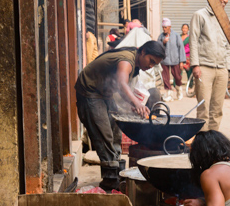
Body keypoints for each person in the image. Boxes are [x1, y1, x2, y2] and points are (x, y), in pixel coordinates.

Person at [75, 41, 165, 191]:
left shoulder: (135, 61)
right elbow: (122, 83)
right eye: (151, 61)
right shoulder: (127, 60)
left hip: (104, 93)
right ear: (143, 53)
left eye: (155, 64)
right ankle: (110, 181)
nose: (151, 66)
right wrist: (137, 103)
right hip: (90, 92)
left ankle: (117, 173)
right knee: (104, 135)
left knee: (116, 130)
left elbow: (119, 87)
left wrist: (131, 104)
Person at [190, 0, 230, 131]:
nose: (225, 0)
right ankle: (202, 144)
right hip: (204, 68)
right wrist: (195, 65)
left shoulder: (226, 19)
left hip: (221, 70)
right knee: (203, 109)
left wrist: (227, 67)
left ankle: (213, 143)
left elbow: (229, 44)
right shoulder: (200, 15)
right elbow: (193, 41)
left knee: (217, 110)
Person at [157, 18, 186, 102]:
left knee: (177, 76)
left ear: (170, 26)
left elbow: (181, 48)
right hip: (164, 60)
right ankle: (169, 94)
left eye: (166, 27)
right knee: (165, 77)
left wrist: (181, 61)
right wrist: (163, 43)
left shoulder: (176, 36)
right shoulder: (161, 36)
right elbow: (157, 46)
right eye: (163, 27)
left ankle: (179, 90)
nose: (164, 29)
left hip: (175, 60)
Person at [177, 24, 193, 91]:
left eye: (186, 28)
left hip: (187, 57)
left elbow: (190, 47)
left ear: (188, 30)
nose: (184, 30)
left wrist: (183, 51)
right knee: (177, 72)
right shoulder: (178, 37)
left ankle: (190, 85)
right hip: (179, 57)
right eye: (183, 28)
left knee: (189, 72)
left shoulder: (189, 38)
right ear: (181, 29)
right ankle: (177, 85)